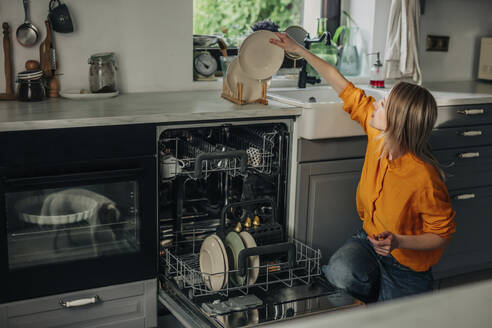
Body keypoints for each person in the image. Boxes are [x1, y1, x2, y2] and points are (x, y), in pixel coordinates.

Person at [270, 33, 456, 303]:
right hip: (368, 241)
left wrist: (398, 241)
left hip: (408, 264)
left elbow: (441, 234)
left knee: (402, 319)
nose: (377, 103)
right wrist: (298, 49)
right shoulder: (376, 130)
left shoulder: (423, 176)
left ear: (397, 123)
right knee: (340, 273)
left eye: (385, 103)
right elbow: (341, 83)